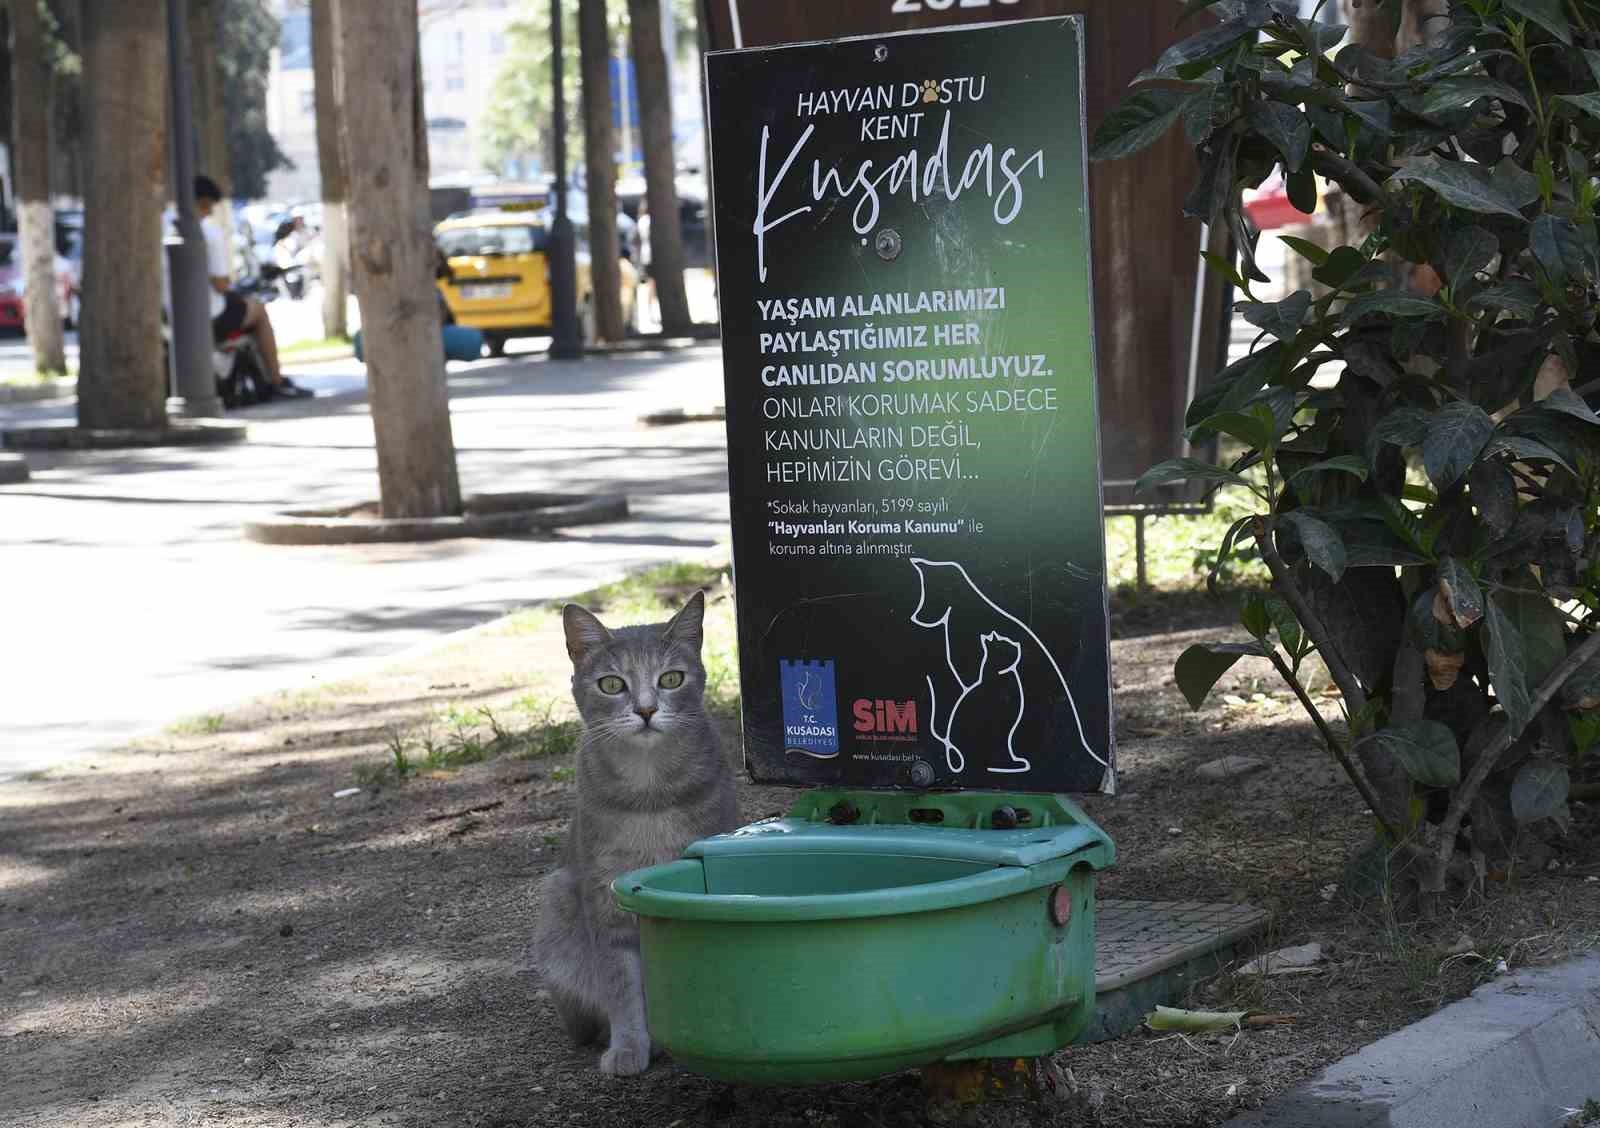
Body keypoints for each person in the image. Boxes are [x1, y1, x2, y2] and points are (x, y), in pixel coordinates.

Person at [193, 175, 311, 399]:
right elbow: (220, 284)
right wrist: (228, 286)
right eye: (208, 207)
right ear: (203, 203)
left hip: (173, 316)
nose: (208, 213)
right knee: (258, 310)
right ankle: (276, 380)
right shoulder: (207, 232)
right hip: (210, 315)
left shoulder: (164, 223)